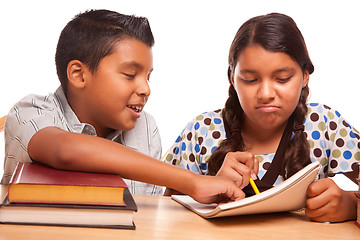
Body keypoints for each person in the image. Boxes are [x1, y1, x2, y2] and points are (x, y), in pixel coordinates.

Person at [1, 9, 245, 204]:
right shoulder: (30, 111)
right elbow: (65, 151)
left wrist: (207, 191)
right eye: (130, 74)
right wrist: (191, 182)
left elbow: (149, 211)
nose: (146, 89)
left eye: (148, 76)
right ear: (78, 74)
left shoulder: (145, 127)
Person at [164, 13, 360, 222]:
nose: (266, 93)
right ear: (232, 77)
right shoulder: (201, 131)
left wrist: (351, 204)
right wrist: (208, 191)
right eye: (250, 80)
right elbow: (165, 211)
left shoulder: (327, 126)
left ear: (305, 75)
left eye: (282, 79)